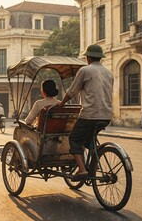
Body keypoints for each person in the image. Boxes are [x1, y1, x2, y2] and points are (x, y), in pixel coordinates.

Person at [58, 44, 113, 181]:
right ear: (100, 58)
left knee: (74, 139)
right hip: (106, 115)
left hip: (90, 114)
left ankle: (82, 170)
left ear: (88, 57)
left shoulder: (85, 70)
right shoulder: (108, 72)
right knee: (90, 140)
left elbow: (72, 91)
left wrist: (62, 104)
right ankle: (95, 165)